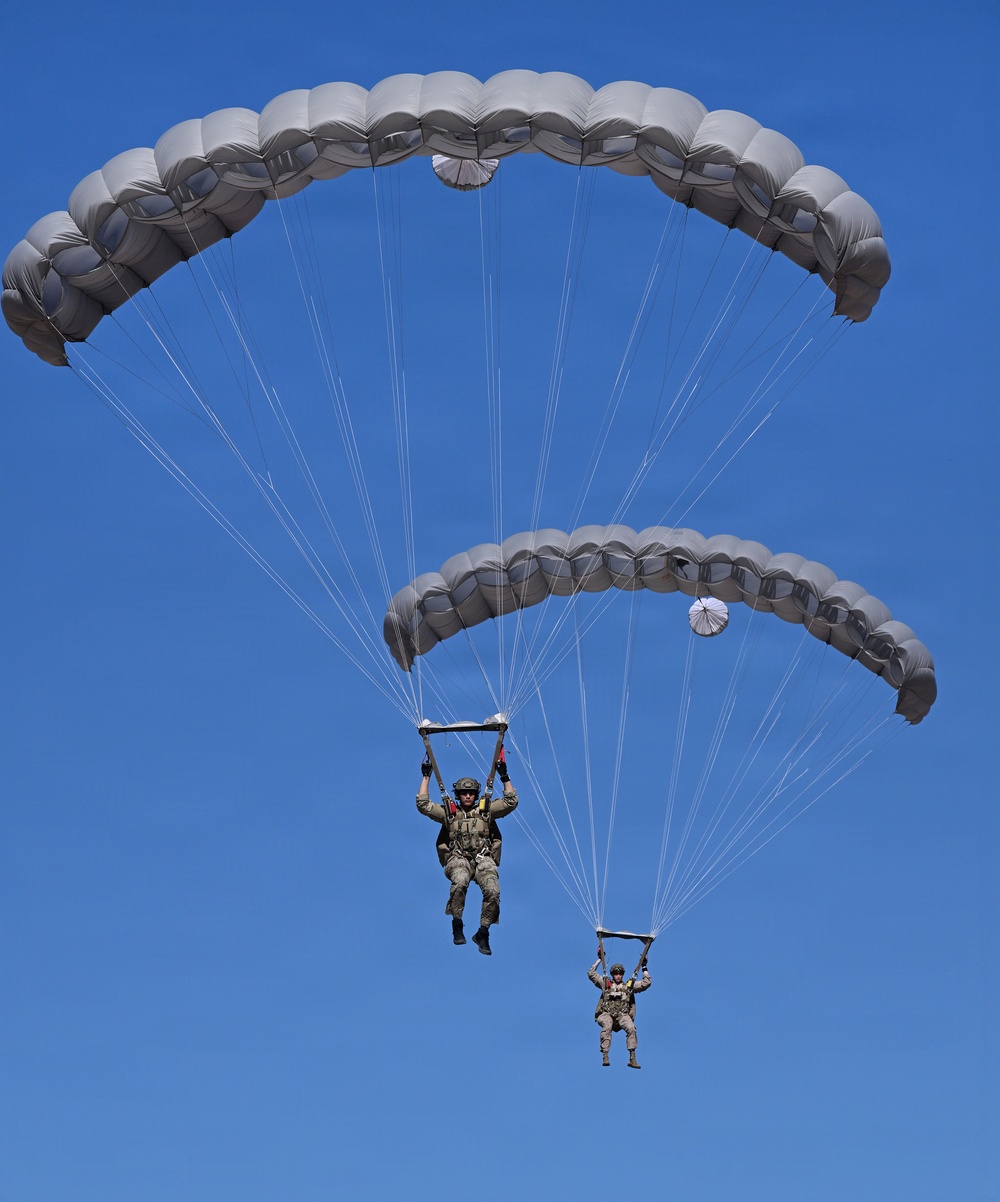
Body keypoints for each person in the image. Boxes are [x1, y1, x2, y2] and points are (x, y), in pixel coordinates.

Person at [416, 754, 518, 955]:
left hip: (483, 858)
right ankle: (457, 923)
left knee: (493, 891)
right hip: (458, 858)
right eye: (464, 793)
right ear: (458, 795)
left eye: (471, 793)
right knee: (460, 880)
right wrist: (426, 777)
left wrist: (504, 776)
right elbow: (423, 805)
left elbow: (511, 802)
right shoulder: (450, 813)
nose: (468, 797)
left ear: (476, 794)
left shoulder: (485, 811)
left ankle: (483, 932)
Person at [588, 954, 651, 1068]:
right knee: (607, 1026)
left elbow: (646, 983)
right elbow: (591, 973)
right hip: (606, 1013)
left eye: (620, 974)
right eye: (616, 974)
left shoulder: (628, 987)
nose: (618, 976)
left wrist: (644, 967)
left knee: (631, 1029)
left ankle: (632, 1058)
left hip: (622, 1015)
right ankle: (605, 1055)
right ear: (612, 975)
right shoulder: (606, 984)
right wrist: (599, 959)